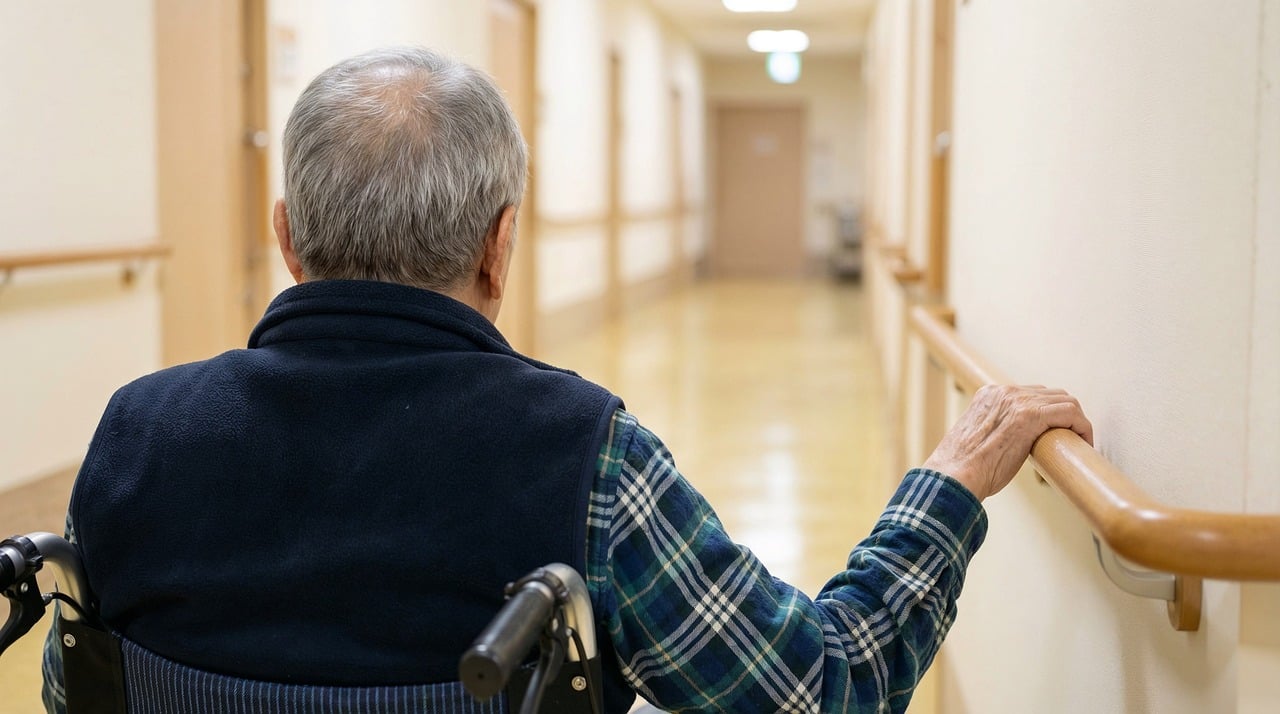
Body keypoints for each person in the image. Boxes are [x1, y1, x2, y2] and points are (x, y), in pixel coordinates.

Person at [43, 46, 1092, 713]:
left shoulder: (139, 432)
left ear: (284, 238)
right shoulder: (581, 452)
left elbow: (76, 690)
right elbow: (820, 686)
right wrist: (946, 488)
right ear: (502, 248)